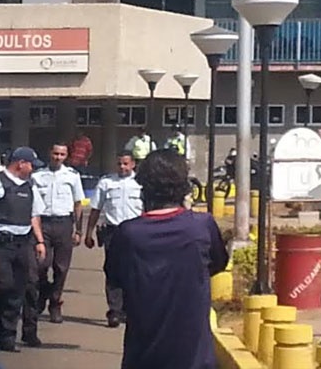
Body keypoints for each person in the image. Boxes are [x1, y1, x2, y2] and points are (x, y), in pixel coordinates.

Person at [105, 149, 229, 369]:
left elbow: (115, 277)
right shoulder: (202, 226)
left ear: (143, 188)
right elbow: (218, 263)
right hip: (194, 357)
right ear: (184, 187)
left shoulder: (128, 234)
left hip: (143, 356)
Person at [0, 146, 48, 352]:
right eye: (31, 165)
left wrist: (40, 241)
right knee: (3, 286)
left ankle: (7, 337)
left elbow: (34, 215)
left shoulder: (29, 185)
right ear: (20, 163)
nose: (33, 169)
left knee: (18, 289)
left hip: (23, 242)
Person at [83, 150, 143, 328]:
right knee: (113, 271)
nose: (122, 167)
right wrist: (89, 233)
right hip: (113, 232)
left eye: (125, 163)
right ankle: (115, 311)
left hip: (136, 232)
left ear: (133, 164)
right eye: (119, 164)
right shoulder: (107, 182)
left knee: (135, 272)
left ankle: (130, 309)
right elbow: (96, 209)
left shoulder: (141, 184)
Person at [28, 142, 85, 324]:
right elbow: (31, 203)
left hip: (64, 224)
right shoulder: (37, 176)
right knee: (41, 265)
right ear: (49, 153)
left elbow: (78, 204)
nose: (58, 157)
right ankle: (44, 292)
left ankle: (55, 302)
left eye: (62, 154)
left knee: (61, 268)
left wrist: (78, 230)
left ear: (66, 156)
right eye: (55, 154)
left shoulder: (72, 176)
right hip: (43, 223)